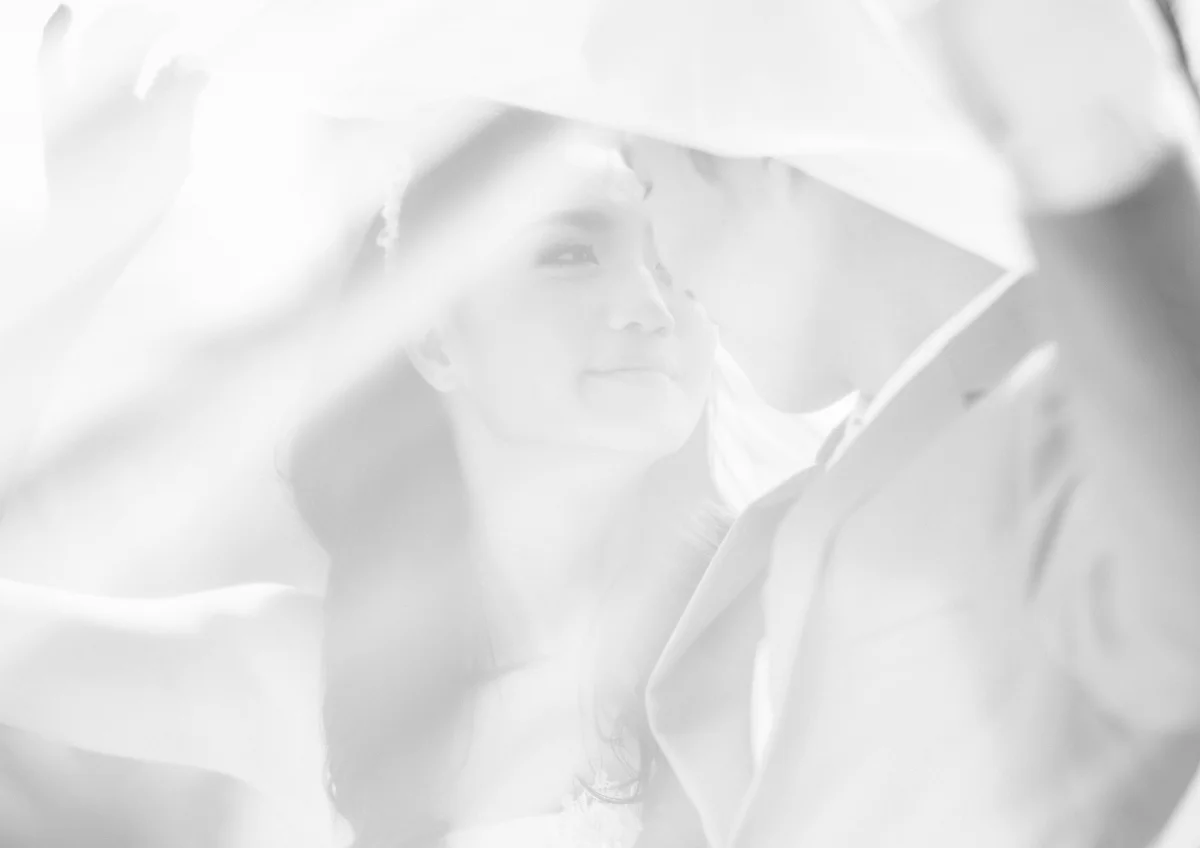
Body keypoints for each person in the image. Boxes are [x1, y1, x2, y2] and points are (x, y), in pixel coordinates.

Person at [0, 104, 750, 848]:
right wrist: (86, 237)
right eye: (570, 254)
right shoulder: (311, 680)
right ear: (435, 337)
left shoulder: (774, 616)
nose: (650, 306)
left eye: (674, 259)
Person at [617, 0, 1200, 845]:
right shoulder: (782, 525)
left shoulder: (1088, 433)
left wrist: (1092, 148)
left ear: (759, 145)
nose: (656, 263)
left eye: (646, 185)